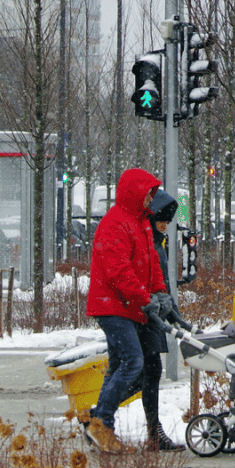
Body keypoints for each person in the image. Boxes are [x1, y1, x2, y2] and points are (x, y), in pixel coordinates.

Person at [83, 168, 174, 453]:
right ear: (135, 192)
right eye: (148, 192)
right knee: (133, 363)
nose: (151, 198)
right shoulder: (115, 224)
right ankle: (101, 423)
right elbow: (118, 271)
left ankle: (98, 426)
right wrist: (143, 296)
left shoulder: (141, 223)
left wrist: (160, 291)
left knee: (119, 367)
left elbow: (152, 263)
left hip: (129, 306)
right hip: (112, 306)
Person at [142, 188, 186, 452]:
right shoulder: (151, 244)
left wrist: (171, 308)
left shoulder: (157, 243)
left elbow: (162, 281)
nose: (165, 224)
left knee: (148, 372)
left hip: (155, 311)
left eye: (168, 221)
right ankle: (99, 414)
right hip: (148, 312)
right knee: (144, 372)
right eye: (161, 218)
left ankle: (153, 431)